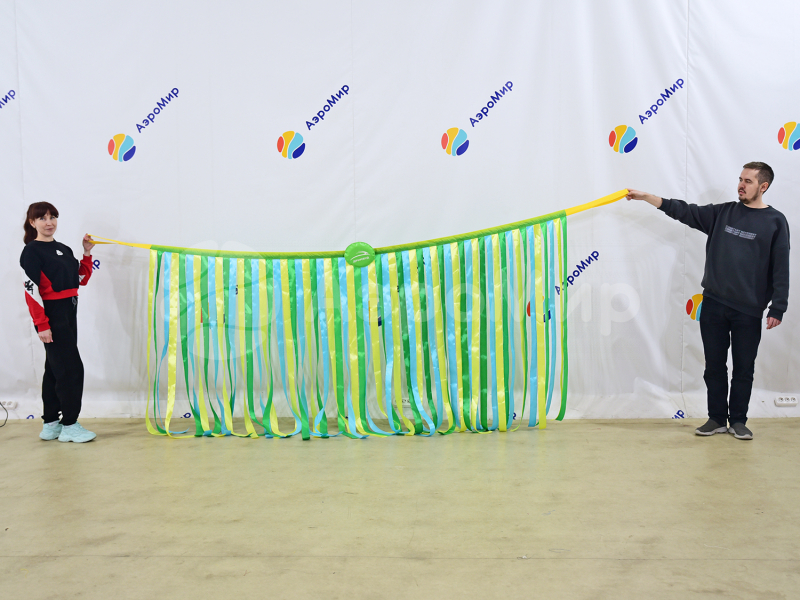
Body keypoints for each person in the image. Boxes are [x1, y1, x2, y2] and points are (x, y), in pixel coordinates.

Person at [627, 162, 790, 440]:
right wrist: (648, 198)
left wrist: (778, 306)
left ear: (763, 187)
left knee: (743, 369)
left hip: (748, 310)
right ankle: (716, 418)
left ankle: (738, 420)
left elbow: (780, 267)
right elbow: (684, 210)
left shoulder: (775, 221)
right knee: (714, 366)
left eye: (748, 181)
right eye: (740, 179)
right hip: (713, 304)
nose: (741, 185)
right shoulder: (722, 213)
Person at [20, 202, 97, 443]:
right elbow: (31, 291)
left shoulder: (63, 249)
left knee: (55, 368)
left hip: (69, 310)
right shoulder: (31, 251)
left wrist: (86, 253)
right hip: (51, 314)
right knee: (71, 369)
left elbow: (80, 279)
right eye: (42, 218)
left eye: (52, 217)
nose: (49, 222)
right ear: (32, 222)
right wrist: (42, 324)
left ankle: (51, 423)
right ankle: (70, 425)